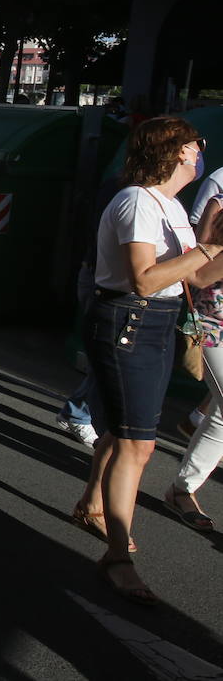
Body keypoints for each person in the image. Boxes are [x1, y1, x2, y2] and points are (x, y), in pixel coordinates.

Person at [71, 117, 222, 605]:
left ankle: (93, 504)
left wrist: (216, 250)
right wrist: (207, 246)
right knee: (139, 446)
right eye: (195, 144)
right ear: (175, 150)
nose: (201, 150)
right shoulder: (137, 201)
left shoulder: (171, 206)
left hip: (153, 325)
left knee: (121, 430)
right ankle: (117, 557)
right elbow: (144, 279)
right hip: (128, 323)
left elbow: (194, 279)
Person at [164, 173, 223, 534]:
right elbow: (199, 276)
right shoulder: (220, 194)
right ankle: (182, 489)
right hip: (215, 327)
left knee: (219, 413)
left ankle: (183, 489)